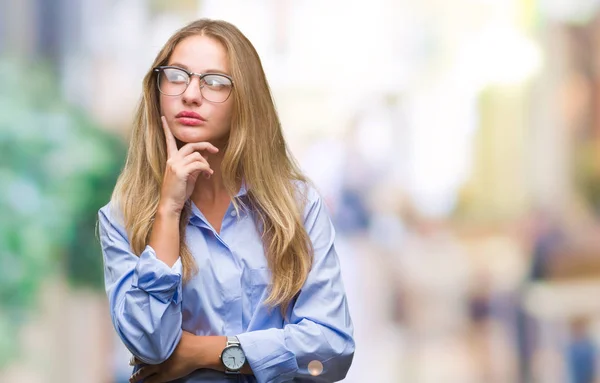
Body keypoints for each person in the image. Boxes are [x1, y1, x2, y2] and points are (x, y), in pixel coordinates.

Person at [97, 18, 354, 383]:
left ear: (245, 100)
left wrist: (204, 352)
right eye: (176, 76)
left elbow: (331, 351)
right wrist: (168, 211)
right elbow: (152, 345)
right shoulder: (124, 216)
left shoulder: (296, 206)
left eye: (215, 82)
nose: (190, 94)